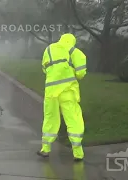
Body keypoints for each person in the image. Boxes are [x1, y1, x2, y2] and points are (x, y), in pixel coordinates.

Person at [37, 33, 87, 161]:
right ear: (72, 41)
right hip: (67, 91)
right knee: (73, 119)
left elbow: (44, 68)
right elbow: (81, 71)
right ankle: (78, 153)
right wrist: (76, 74)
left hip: (51, 91)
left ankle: (45, 149)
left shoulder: (48, 49)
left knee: (50, 118)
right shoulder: (72, 50)